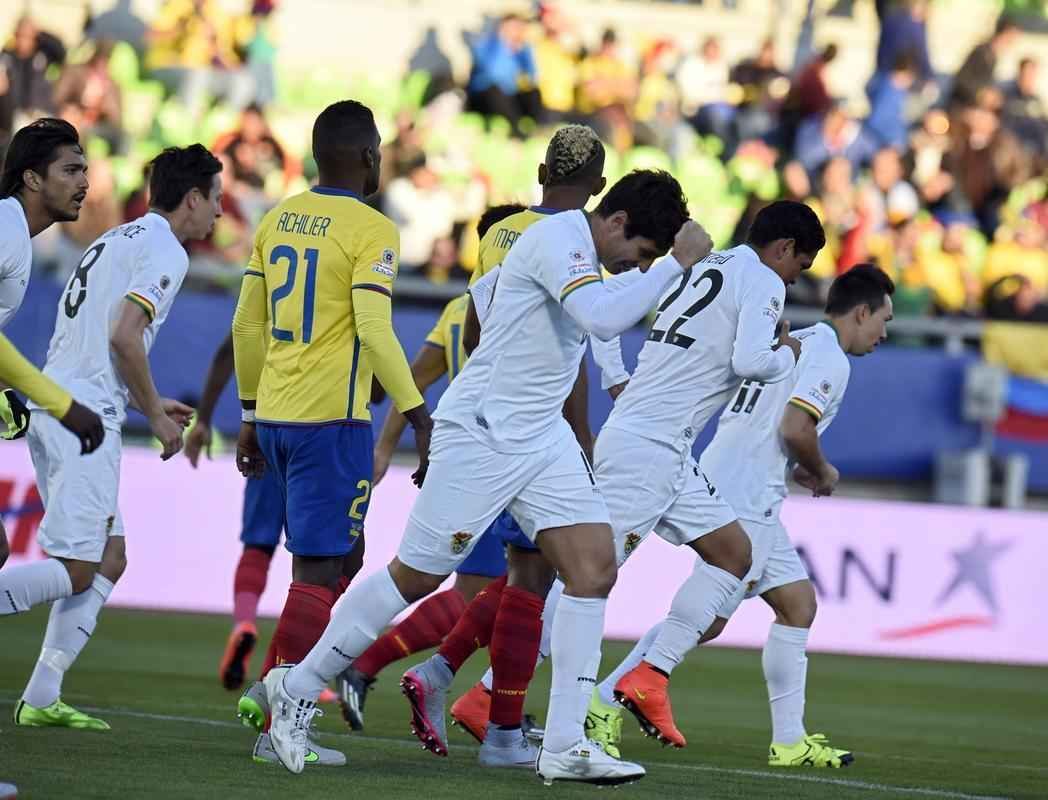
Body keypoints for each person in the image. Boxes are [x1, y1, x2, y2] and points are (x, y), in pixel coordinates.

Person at [262, 168, 700, 785]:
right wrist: (674, 264)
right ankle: (299, 687)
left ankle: (566, 745)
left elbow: (483, 302)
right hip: (488, 433)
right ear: (618, 223)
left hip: (539, 434)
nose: (637, 266)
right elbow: (602, 319)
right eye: (640, 253)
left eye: (649, 260)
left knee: (593, 567)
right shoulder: (559, 241)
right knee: (415, 576)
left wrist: (515, 360)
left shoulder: (562, 250)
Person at [588, 265, 894, 770]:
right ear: (861, 312)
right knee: (706, 622)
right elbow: (797, 428)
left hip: (738, 478)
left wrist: (795, 464)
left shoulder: (798, 341)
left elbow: (773, 417)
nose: (884, 333)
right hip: (747, 493)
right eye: (883, 320)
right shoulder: (831, 360)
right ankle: (603, 700)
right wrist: (822, 470)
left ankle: (789, 741)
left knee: (797, 604)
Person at [230, 99, 433, 767]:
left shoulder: (277, 216)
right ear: (367, 156)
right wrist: (419, 414)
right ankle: (279, 725)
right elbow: (375, 330)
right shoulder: (372, 229)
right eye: (377, 148)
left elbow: (247, 327)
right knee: (320, 568)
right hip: (331, 421)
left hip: (281, 415)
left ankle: (278, 683)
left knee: (344, 559)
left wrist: (252, 414)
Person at [581, 200, 824, 752]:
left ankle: (648, 676)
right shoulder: (763, 279)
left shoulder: (705, 265)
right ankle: (495, 692)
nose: (795, 278)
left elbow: (620, 315)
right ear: (783, 248)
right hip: (648, 449)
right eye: (800, 266)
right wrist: (785, 350)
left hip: (666, 447)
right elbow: (749, 362)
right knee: (587, 578)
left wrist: (618, 378)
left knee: (733, 555)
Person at [2, 144, 220, 732]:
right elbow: (126, 337)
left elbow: (100, 336)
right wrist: (153, 412)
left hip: (64, 401)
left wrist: (138, 396)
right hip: (85, 418)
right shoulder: (167, 252)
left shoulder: (116, 238)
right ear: (193, 199)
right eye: (217, 200)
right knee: (78, 567)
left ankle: (43, 693)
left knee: (111, 557)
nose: (220, 214)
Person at [336, 204, 529, 731]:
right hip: (493, 456)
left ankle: (490, 700)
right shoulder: (507, 305)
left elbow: (412, 382)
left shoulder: (457, 311)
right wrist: (384, 448)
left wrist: (387, 446)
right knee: (487, 591)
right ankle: (370, 667)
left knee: (500, 589)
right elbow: (410, 382)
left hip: (483, 452)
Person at [0, 118, 107, 568]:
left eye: (84, 170)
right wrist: (62, 405)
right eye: (70, 170)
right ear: (32, 177)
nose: (84, 183)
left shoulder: (16, 235)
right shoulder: (6, 228)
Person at [182, 333, 283, 690]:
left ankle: (244, 622)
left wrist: (204, 420)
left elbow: (230, 348)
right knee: (320, 562)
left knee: (258, 545)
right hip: (323, 430)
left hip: (268, 426)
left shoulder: (268, 280)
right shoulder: (343, 285)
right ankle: (290, 666)